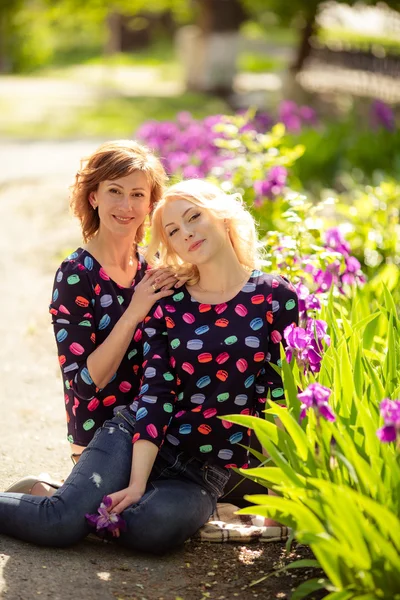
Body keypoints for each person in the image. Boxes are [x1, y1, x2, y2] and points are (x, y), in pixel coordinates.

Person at [0, 179, 298, 553]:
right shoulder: (170, 302)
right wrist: (138, 482)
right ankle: (64, 505)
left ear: (222, 217)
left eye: (194, 218)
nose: (186, 233)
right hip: (134, 438)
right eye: (173, 231)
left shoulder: (276, 297)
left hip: (201, 471)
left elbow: (281, 399)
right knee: (59, 525)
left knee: (149, 531)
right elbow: (157, 393)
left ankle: (69, 499)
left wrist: (276, 502)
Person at [6, 140, 179, 496]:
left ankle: (67, 494)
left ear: (151, 203)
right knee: (107, 516)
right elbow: (85, 384)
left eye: (137, 194)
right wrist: (135, 310)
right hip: (100, 434)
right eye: (114, 191)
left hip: (154, 428)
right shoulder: (76, 274)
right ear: (94, 196)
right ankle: (45, 493)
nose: (126, 206)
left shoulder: (153, 270)